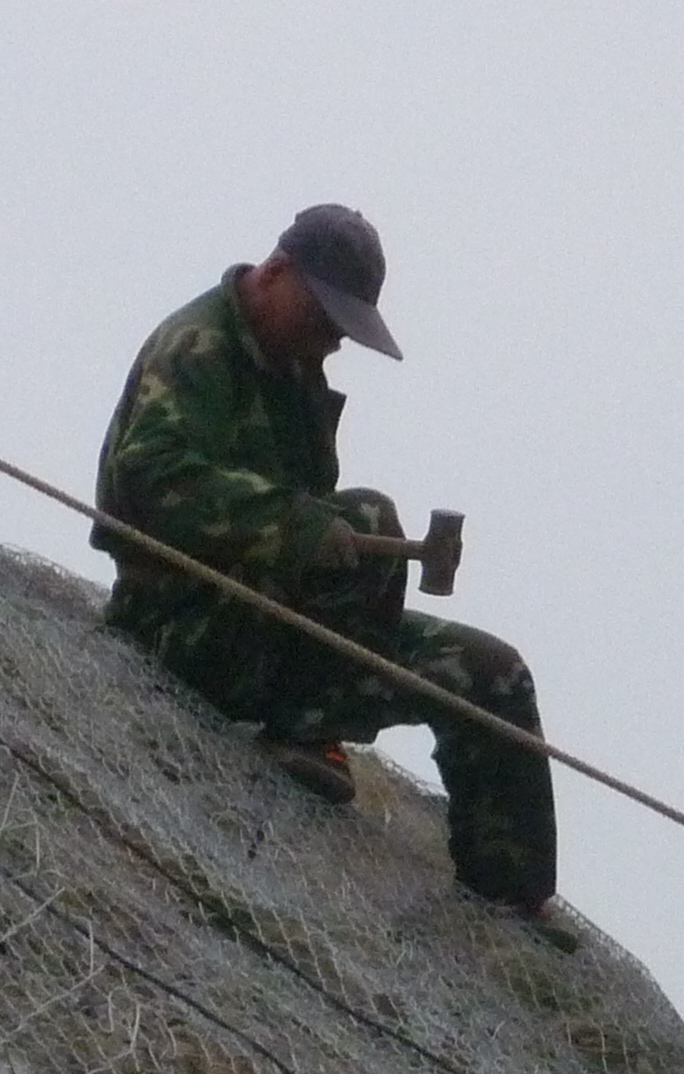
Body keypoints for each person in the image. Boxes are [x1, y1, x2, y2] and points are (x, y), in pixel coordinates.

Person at [92, 205, 560, 919]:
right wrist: (300, 525)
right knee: (368, 515)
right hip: (185, 621)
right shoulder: (197, 348)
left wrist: (319, 533)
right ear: (274, 274)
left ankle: (512, 902)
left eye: (341, 331)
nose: (332, 344)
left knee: (490, 674)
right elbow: (149, 482)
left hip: (278, 625)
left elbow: (309, 514)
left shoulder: (295, 367)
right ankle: (306, 723)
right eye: (323, 321)